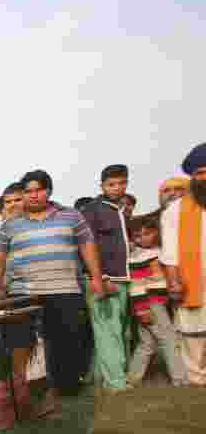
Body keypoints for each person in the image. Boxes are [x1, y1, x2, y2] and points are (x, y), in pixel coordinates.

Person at [0, 170, 114, 398]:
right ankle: (19, 389)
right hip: (22, 292)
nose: (33, 195)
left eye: (38, 190)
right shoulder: (10, 224)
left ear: (48, 191)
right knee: (20, 342)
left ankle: (65, 387)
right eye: (28, 192)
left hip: (64, 288)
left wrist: (97, 278)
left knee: (66, 341)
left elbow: (87, 246)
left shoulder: (71, 215)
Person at [79, 164, 132, 391]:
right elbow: (85, 246)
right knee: (107, 331)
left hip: (124, 278)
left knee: (119, 331)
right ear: (102, 186)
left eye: (121, 183)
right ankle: (116, 383)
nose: (117, 188)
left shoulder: (122, 210)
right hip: (104, 278)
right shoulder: (92, 210)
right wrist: (98, 277)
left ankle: (106, 377)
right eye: (111, 184)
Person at [160, 143, 206, 387]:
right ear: (192, 178)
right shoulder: (175, 211)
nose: (204, 177)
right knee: (194, 335)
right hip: (193, 281)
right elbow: (169, 253)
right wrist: (174, 282)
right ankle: (197, 381)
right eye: (199, 173)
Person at [127, 212, 188, 388]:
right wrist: (142, 309)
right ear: (132, 238)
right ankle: (180, 379)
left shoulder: (156, 251)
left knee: (147, 343)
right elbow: (136, 285)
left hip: (155, 303)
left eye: (147, 233)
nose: (143, 238)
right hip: (150, 304)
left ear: (156, 232)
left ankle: (132, 378)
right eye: (137, 235)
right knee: (169, 339)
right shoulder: (139, 256)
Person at [0, 182, 25, 255]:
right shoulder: (2, 228)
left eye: (18, 200)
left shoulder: (40, 222)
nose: (13, 204)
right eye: (8, 202)